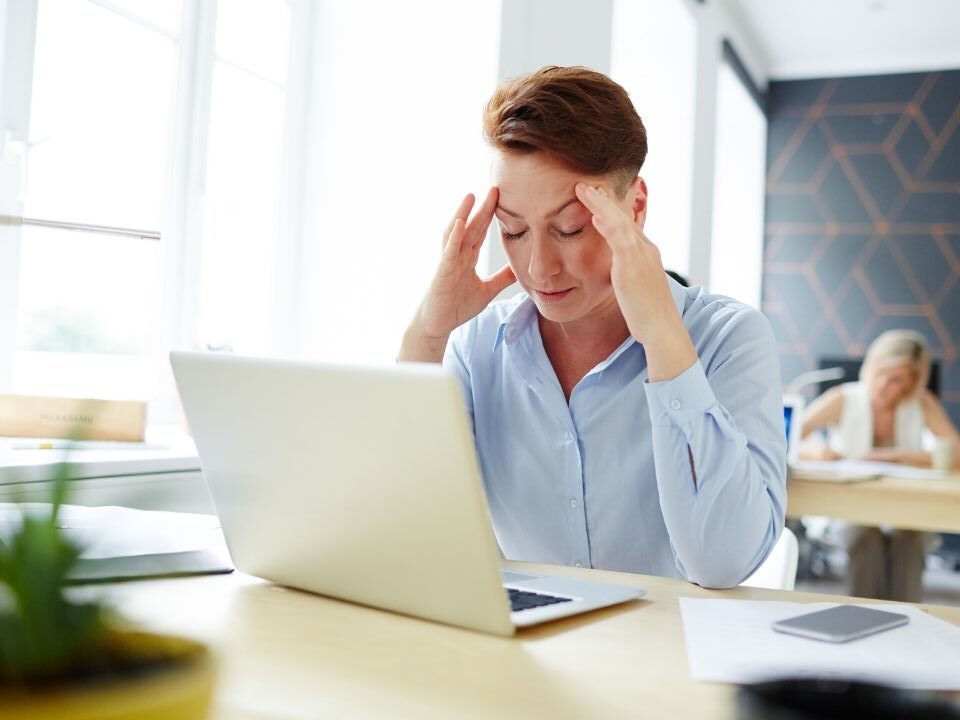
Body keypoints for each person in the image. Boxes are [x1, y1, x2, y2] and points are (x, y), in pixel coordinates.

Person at [398, 66, 786, 588]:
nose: (537, 268)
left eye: (569, 229)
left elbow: (722, 562)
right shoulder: (476, 346)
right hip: (523, 657)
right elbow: (410, 517)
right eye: (512, 230)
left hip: (670, 658)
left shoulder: (729, 339)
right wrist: (428, 334)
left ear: (636, 207)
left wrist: (664, 341)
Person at [799, 329, 960, 601]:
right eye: (880, 372)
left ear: (913, 381)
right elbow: (788, 437)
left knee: (911, 537)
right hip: (851, 505)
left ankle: (908, 616)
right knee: (863, 535)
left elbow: (954, 452)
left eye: (896, 379)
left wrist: (899, 455)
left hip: (906, 504)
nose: (884, 384)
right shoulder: (843, 397)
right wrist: (816, 450)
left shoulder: (921, 403)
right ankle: (861, 613)